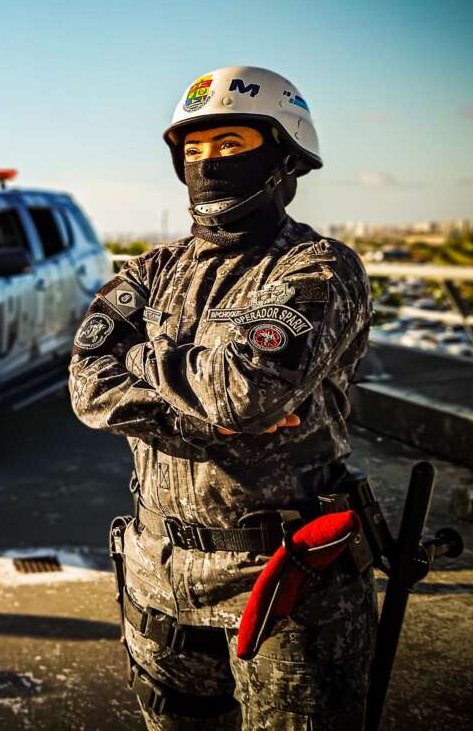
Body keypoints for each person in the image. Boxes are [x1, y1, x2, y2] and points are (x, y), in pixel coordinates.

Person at [69, 66, 376, 730]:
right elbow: (88, 382)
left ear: (283, 155)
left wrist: (144, 358)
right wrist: (201, 409)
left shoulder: (318, 267)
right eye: (195, 150)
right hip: (158, 576)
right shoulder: (151, 269)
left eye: (230, 145)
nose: (208, 163)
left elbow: (244, 394)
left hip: (284, 584)